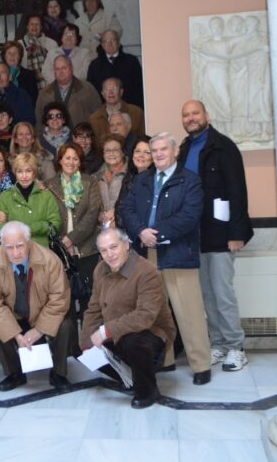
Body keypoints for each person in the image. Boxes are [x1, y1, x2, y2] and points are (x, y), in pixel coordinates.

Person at [119, 132, 211, 385]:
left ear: (174, 152)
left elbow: (191, 215)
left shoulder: (189, 180)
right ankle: (165, 360)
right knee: (156, 312)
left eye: (163, 149)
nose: (158, 154)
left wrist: (156, 234)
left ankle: (201, 365)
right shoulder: (142, 180)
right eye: (154, 150)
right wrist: (140, 231)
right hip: (146, 255)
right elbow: (126, 208)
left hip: (178, 253)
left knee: (188, 312)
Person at [179, 99, 253, 373]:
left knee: (223, 293)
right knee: (207, 295)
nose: (190, 118)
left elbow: (237, 191)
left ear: (206, 115)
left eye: (195, 113)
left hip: (222, 234)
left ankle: (236, 347)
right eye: (186, 115)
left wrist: (236, 233)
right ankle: (219, 344)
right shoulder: (184, 148)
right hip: (196, 236)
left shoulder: (224, 147)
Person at [80, 228, 175, 409]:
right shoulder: (100, 269)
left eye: (113, 247)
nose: (109, 254)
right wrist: (86, 343)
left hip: (152, 331)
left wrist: (104, 331)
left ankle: (147, 391)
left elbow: (144, 316)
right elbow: (93, 308)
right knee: (79, 348)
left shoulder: (147, 271)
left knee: (133, 343)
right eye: (104, 250)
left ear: (126, 245)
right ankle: (132, 376)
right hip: (116, 329)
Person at [0, 221, 74, 391]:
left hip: (41, 314)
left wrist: (39, 329)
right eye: (9, 247)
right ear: (2, 245)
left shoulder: (50, 260)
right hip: (13, 316)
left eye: (20, 246)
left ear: (29, 241)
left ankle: (59, 373)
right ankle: (14, 373)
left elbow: (59, 298)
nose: (16, 253)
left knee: (65, 324)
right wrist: (15, 334)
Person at [43, 143, 102, 315]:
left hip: (86, 248)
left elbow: (92, 215)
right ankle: (69, 342)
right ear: (60, 160)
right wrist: (62, 243)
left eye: (75, 158)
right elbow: (47, 216)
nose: (71, 162)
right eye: (67, 157)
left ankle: (88, 341)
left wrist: (71, 239)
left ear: (80, 162)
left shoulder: (90, 182)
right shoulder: (49, 185)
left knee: (88, 301)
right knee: (63, 301)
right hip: (59, 252)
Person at [0, 152, 61, 248]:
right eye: (20, 171)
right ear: (15, 173)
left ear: (34, 173)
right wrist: (14, 232)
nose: (24, 176)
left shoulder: (46, 195)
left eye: (28, 171)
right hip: (13, 251)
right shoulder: (5, 196)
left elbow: (55, 225)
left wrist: (31, 228)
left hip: (41, 252)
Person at [36, 55, 102, 128]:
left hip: (81, 137)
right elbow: (39, 121)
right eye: (57, 69)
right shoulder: (44, 93)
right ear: (54, 72)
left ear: (71, 68)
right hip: (53, 137)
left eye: (64, 68)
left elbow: (98, 115)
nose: (61, 72)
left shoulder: (87, 89)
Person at [87, 29, 145, 109]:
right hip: (103, 110)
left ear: (118, 42)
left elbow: (140, 87)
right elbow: (92, 91)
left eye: (112, 40)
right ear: (102, 45)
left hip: (129, 107)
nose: (109, 44)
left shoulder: (131, 61)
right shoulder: (94, 65)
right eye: (106, 41)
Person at [89, 77, 146, 144]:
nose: (111, 92)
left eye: (114, 88)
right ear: (103, 94)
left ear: (121, 92)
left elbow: (143, 139)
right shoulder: (94, 118)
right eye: (107, 89)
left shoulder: (136, 112)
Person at [0, 61, 36, 126]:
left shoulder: (22, 96)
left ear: (10, 77)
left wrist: (9, 127)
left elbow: (30, 122)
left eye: (2, 73)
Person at [95, 134, 128, 231]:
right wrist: (100, 216)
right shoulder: (96, 176)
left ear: (123, 152)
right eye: (107, 150)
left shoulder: (131, 174)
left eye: (115, 150)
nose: (111, 153)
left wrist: (116, 213)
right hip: (103, 227)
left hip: (125, 227)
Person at [19, 13, 57, 88]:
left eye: (37, 24)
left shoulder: (52, 44)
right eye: (31, 24)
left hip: (49, 85)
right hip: (28, 86)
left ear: (41, 27)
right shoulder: (19, 44)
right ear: (27, 26)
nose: (34, 27)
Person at [1, 40, 39, 104]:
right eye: (9, 53)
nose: (12, 56)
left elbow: (34, 100)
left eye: (15, 53)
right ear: (4, 56)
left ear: (19, 56)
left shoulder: (29, 75)